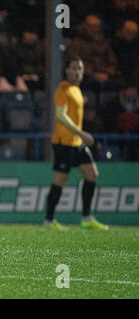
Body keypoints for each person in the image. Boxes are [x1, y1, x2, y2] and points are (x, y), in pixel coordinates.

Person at [44, 56, 109, 231]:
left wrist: (79, 136)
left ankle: (86, 218)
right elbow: (60, 115)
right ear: (67, 70)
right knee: (60, 180)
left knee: (92, 174)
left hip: (76, 143)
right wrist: (80, 132)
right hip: (63, 142)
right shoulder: (63, 89)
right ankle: (48, 220)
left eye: (80, 68)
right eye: (73, 68)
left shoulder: (77, 90)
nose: (77, 71)